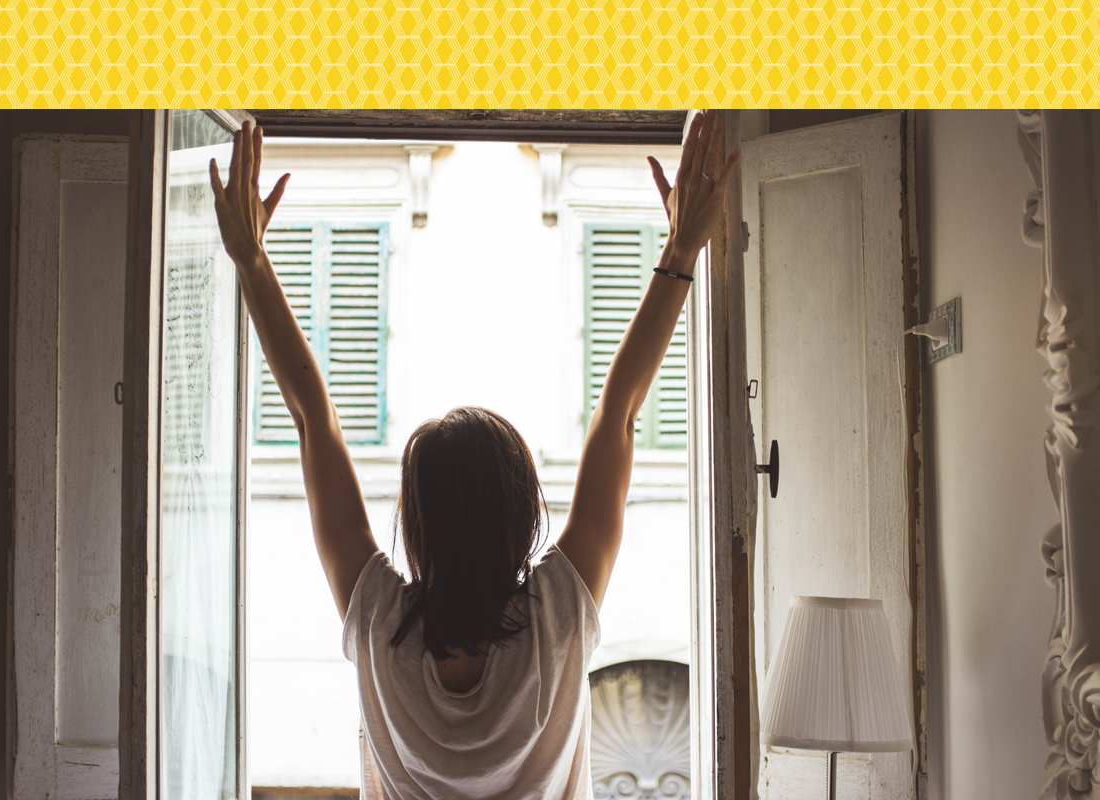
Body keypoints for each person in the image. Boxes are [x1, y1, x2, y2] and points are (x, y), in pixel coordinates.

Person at [209, 111, 738, 800]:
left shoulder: (377, 624)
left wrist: (251, 260)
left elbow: (314, 422)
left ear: (417, 521)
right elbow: (620, 414)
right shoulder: (558, 617)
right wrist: (681, 248)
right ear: (522, 516)